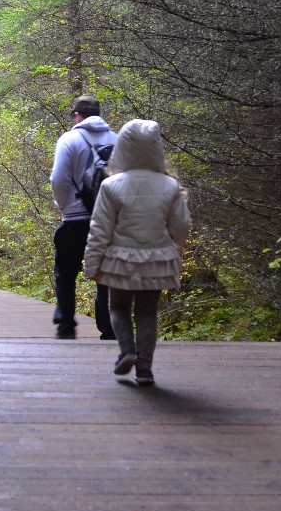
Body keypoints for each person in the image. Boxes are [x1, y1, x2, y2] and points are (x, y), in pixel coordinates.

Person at [83, 119, 192, 386]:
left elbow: (100, 231)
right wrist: (174, 249)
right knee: (147, 313)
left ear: (122, 148)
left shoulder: (111, 185)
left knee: (118, 306)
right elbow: (182, 226)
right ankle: (145, 369)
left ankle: (126, 350)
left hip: (120, 261)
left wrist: (91, 264)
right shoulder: (168, 185)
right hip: (156, 260)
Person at [49, 94, 117, 340]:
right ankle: (109, 328)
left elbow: (58, 179)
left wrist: (65, 205)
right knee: (106, 273)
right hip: (108, 218)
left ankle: (67, 325)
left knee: (65, 272)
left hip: (75, 218)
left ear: (77, 116)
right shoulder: (117, 139)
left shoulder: (69, 139)